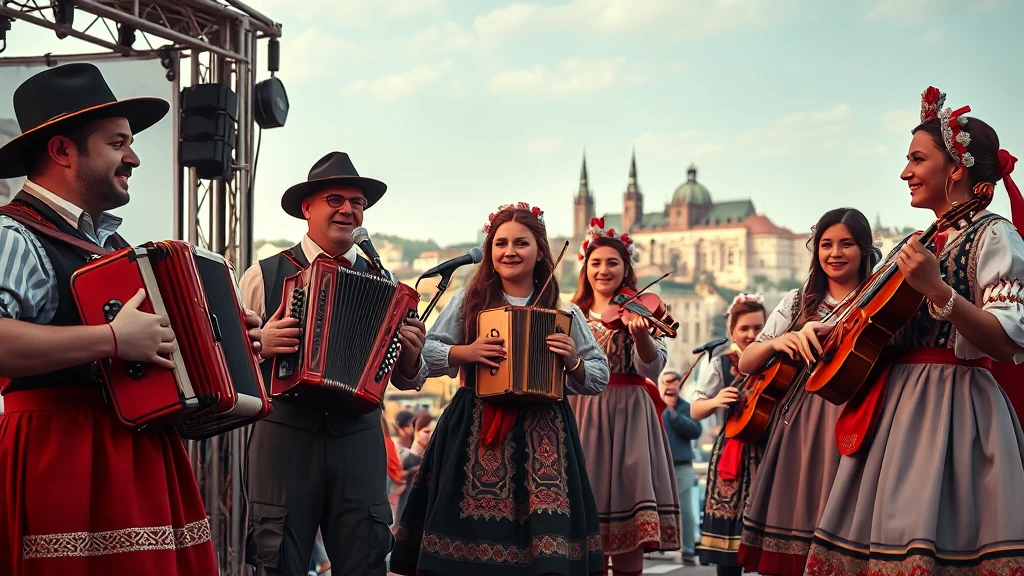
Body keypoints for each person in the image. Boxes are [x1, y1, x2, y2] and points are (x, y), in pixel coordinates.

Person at [0, 63, 263, 575]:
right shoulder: (13, 236)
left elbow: (153, 356)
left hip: (137, 451)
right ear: (62, 151)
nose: (134, 157)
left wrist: (221, 345)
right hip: (63, 455)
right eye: (117, 142)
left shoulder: (115, 248)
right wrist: (112, 340)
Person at [803, 87, 1024, 574]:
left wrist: (937, 289)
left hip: (956, 407)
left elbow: (1007, 342)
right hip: (896, 409)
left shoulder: (994, 235)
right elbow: (871, 321)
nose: (905, 172)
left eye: (917, 159)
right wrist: (832, 332)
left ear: (956, 169)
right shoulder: (918, 239)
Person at [389, 202, 609, 576]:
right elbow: (425, 353)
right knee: (469, 540)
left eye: (521, 243)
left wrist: (572, 361)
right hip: (474, 423)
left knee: (543, 544)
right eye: (500, 243)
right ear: (490, 251)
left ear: (540, 250)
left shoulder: (565, 311)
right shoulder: (467, 302)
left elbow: (599, 375)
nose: (509, 251)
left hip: (546, 435)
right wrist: (465, 352)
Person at [240, 151, 427, 576]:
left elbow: (403, 376)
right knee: (279, 559)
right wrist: (262, 344)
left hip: (358, 438)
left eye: (357, 202)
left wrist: (412, 356)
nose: (348, 209)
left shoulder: (386, 283)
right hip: (284, 435)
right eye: (336, 199)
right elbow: (228, 359)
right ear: (307, 207)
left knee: (364, 557)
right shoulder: (263, 275)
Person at [736, 208, 878, 576]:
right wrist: (783, 340)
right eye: (826, 244)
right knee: (800, 518)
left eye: (846, 244)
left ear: (864, 249)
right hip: (802, 422)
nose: (835, 253)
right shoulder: (798, 301)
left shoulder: (879, 296)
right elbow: (747, 362)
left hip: (864, 414)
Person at [567, 219, 679, 576]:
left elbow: (651, 370)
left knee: (630, 519)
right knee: (587, 524)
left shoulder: (641, 310)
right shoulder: (571, 314)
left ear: (626, 268)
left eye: (612, 262)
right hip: (581, 413)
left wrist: (643, 335)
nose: (604, 270)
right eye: (596, 263)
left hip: (630, 414)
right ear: (585, 268)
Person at [687, 294, 767, 575]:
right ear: (732, 330)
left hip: (769, 451)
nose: (751, 334)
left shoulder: (776, 361)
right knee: (728, 552)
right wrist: (716, 400)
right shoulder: (721, 364)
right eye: (744, 328)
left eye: (758, 328)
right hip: (732, 451)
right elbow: (696, 409)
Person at [658, 371, 702, 567]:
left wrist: (674, 416)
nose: (670, 386)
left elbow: (696, 430)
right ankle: (658, 544)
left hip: (681, 465)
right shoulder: (655, 405)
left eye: (674, 381)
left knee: (686, 510)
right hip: (659, 465)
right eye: (666, 382)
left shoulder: (686, 408)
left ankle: (688, 550)